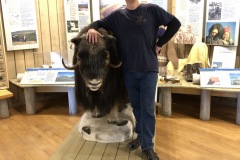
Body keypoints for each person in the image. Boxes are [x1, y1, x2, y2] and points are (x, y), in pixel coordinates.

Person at [86, 1, 181, 159]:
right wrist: (91, 28)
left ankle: (148, 146)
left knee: (148, 109)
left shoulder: (151, 9)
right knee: (137, 108)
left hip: (148, 70)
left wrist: (160, 44)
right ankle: (142, 137)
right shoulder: (117, 16)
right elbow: (98, 23)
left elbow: (175, 23)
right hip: (129, 71)